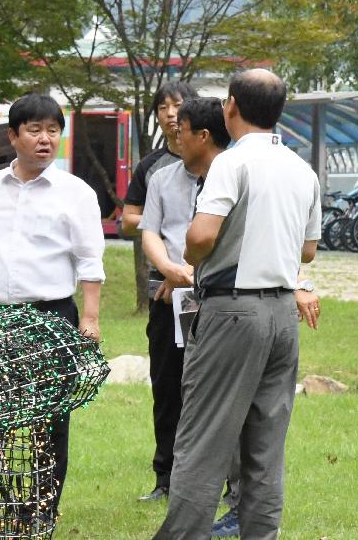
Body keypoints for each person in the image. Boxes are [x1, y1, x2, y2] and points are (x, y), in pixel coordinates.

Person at [153, 69, 322, 540]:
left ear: (230, 106)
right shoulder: (300, 167)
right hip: (282, 314)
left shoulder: (232, 162)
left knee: (203, 439)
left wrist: (191, 251)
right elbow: (307, 251)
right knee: (265, 448)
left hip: (232, 310)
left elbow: (202, 236)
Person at [0, 93, 105, 521]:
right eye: (35, 130)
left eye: (53, 131)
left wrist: (91, 319)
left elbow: (90, 258)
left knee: (49, 420)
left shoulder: (74, 192)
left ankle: (40, 508)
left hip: (51, 316)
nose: (45, 139)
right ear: (13, 135)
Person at [139, 97, 229, 507]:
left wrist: (191, 275)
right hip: (170, 297)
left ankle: (229, 484)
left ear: (204, 134)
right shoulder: (162, 178)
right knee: (169, 387)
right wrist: (172, 271)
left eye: (183, 128)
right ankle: (166, 478)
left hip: (224, 297)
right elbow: (151, 233)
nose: (176, 134)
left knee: (221, 389)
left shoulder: (234, 178)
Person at [121, 81, 198, 238]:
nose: (170, 113)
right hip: (164, 259)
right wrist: (170, 220)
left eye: (177, 105)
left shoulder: (214, 161)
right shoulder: (148, 166)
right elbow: (128, 221)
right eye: (163, 108)